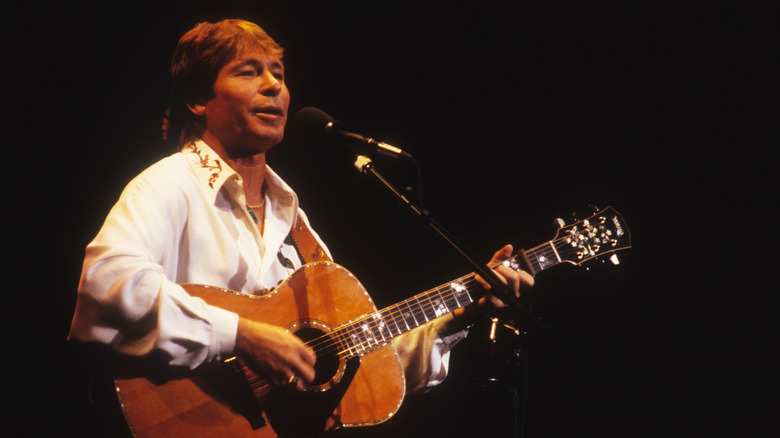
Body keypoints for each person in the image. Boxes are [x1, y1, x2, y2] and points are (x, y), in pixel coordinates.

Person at [68, 18, 534, 432]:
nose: (273, 85)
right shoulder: (168, 186)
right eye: (249, 71)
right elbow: (108, 283)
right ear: (197, 99)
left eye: (279, 74)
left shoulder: (294, 219)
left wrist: (461, 313)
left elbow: (368, 364)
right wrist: (241, 335)